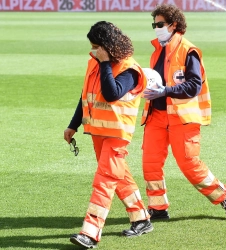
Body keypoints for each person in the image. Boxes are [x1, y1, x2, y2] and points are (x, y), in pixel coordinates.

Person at [141, 4, 226, 221]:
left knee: (189, 165)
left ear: (173, 25)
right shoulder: (157, 51)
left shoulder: (188, 50)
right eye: (154, 25)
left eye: (160, 24)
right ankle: (158, 208)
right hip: (156, 116)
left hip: (181, 118)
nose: (156, 28)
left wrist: (165, 90)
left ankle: (224, 195)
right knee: (150, 163)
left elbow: (194, 85)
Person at [64, 21, 153, 249]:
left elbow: (111, 93)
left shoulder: (130, 69)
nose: (92, 51)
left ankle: (90, 233)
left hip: (117, 134)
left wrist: (104, 62)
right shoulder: (95, 63)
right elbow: (85, 95)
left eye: (95, 46)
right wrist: (73, 125)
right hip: (97, 132)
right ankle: (141, 218)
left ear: (106, 46)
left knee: (104, 181)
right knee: (118, 176)